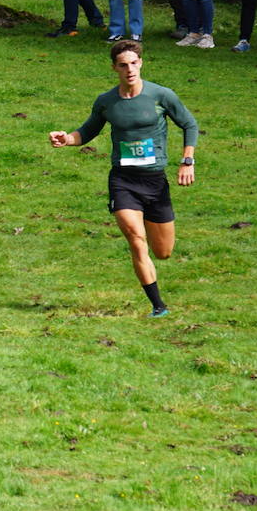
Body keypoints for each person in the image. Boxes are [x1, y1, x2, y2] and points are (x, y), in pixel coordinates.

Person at [48, 40, 198, 318]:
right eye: (123, 65)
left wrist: (187, 160)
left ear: (141, 62)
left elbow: (189, 124)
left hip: (155, 182)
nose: (129, 69)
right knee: (136, 238)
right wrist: (66, 138)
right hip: (123, 181)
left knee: (163, 252)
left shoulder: (161, 96)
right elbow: (86, 132)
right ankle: (158, 305)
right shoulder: (106, 102)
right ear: (114, 68)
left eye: (133, 63)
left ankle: (156, 283)